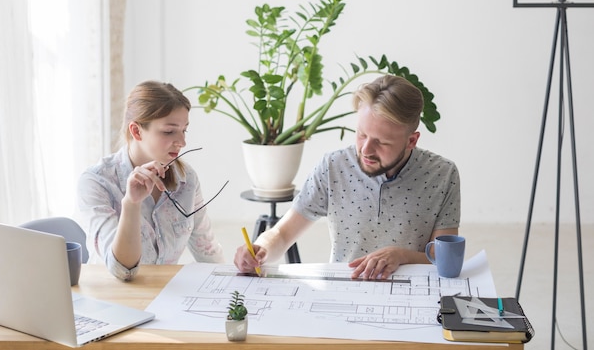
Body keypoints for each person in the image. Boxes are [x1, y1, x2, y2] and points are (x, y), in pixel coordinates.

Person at [234, 75, 460, 280]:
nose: (366, 150)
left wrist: (401, 256)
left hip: (413, 294)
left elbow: (444, 259)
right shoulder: (333, 167)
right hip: (345, 292)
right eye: (362, 134)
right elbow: (282, 234)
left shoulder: (443, 175)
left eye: (381, 142)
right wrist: (259, 249)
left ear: (412, 141)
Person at [77, 81, 224, 280]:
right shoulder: (96, 182)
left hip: (163, 298)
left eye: (184, 130)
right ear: (136, 131)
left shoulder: (186, 179)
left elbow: (209, 254)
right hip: (112, 299)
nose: (182, 142)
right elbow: (122, 271)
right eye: (169, 131)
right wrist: (131, 204)